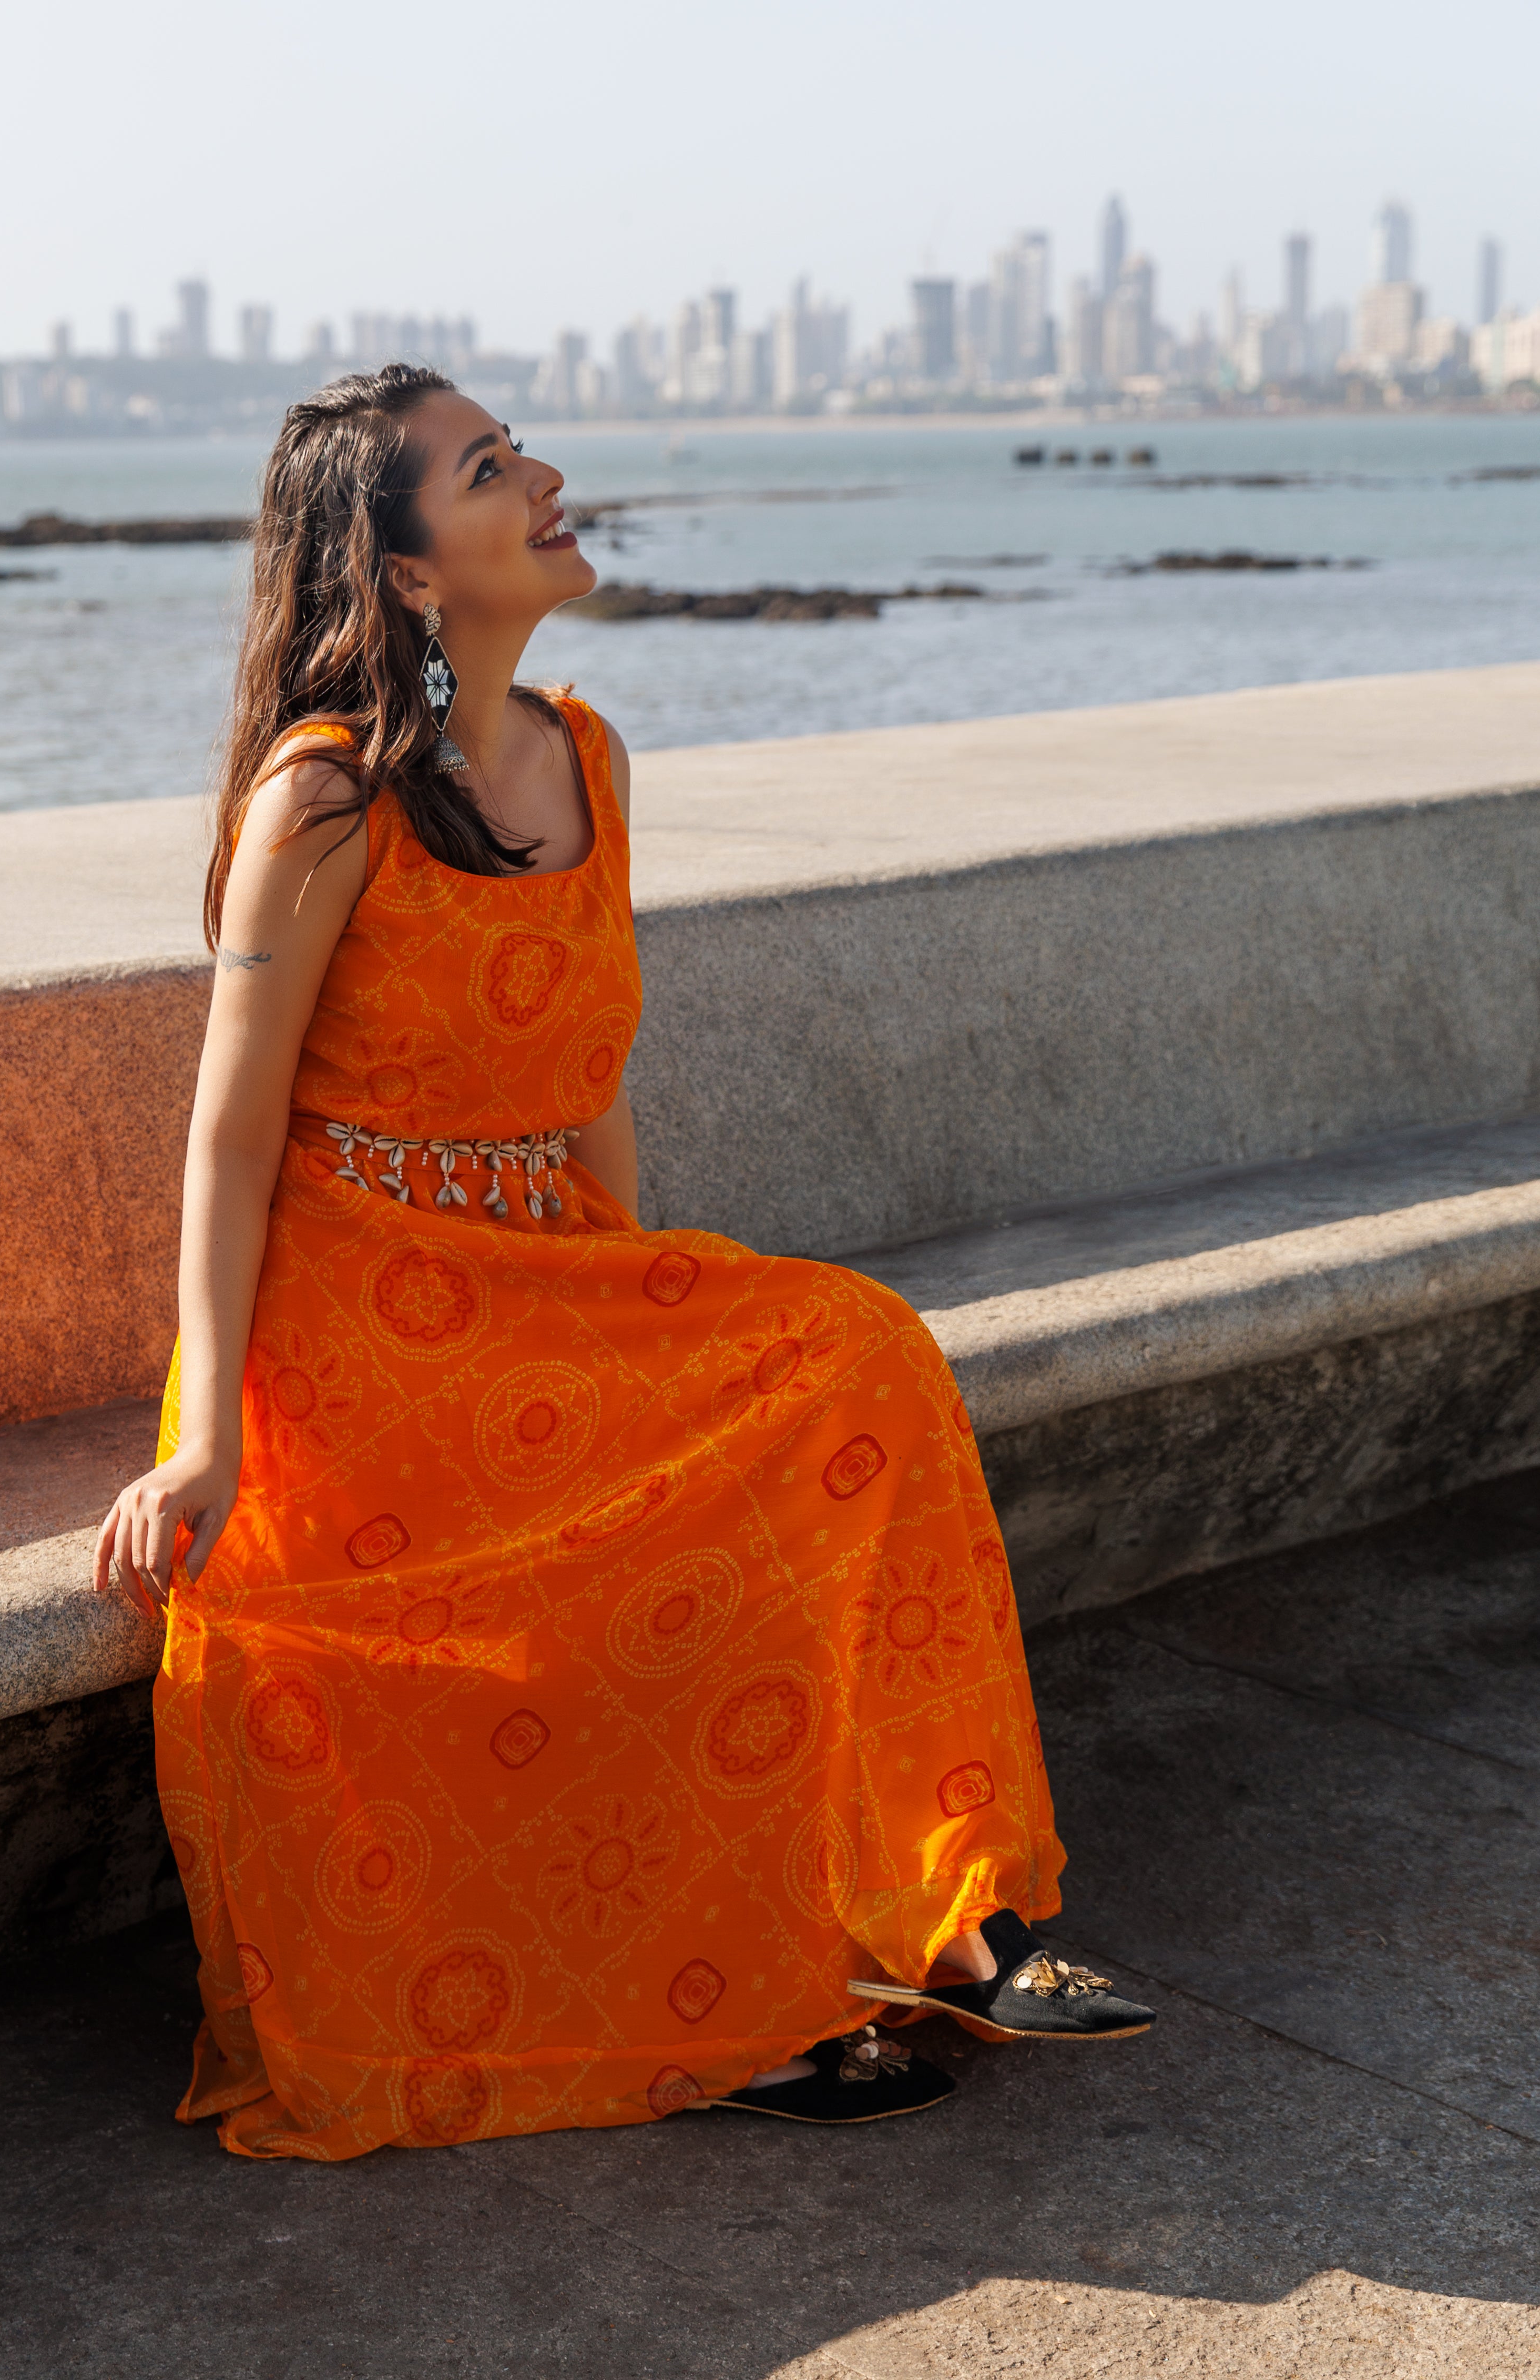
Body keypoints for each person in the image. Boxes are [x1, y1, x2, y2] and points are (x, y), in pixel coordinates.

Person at [94, 363, 1151, 2159]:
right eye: (494, 469)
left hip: (549, 1288)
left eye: (523, 453)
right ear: (411, 573)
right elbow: (231, 1127)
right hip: (360, 1328)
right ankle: (737, 2011)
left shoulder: (587, 758)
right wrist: (206, 1444)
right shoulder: (328, 799)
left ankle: (960, 1925)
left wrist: (645, 1320)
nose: (551, 478)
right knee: (817, 1381)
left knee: (856, 1352)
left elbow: (587, 1085)